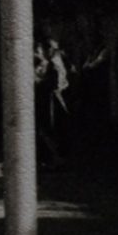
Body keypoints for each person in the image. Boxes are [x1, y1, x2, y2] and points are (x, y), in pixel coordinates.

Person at [35, 36, 72, 168]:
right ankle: (52, 157)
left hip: (51, 99)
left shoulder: (54, 63)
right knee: (46, 129)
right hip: (48, 98)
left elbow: (55, 82)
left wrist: (38, 81)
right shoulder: (47, 63)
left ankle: (56, 158)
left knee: (50, 128)